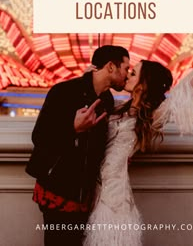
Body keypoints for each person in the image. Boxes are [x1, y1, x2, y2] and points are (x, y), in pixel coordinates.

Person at [83, 39, 193, 246]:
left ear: (143, 83)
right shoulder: (116, 107)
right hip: (90, 193)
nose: (127, 74)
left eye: (133, 72)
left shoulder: (150, 116)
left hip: (114, 201)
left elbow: (185, 87)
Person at [25, 45, 130, 246]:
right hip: (57, 188)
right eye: (125, 68)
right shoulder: (64, 91)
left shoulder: (107, 100)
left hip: (84, 194)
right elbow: (39, 137)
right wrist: (73, 128)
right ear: (110, 67)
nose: (127, 74)